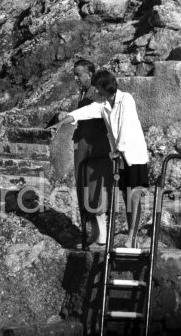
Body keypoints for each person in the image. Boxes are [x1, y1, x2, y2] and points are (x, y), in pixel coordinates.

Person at [49, 70, 149, 249]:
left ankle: (132, 237)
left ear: (104, 87)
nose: (94, 92)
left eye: (97, 88)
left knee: (133, 197)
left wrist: (118, 150)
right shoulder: (103, 105)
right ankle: (130, 237)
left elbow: (125, 126)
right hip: (121, 158)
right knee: (126, 197)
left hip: (134, 155)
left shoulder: (126, 99)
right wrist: (63, 121)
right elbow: (83, 112)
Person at [58, 60, 112, 250]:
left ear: (89, 74)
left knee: (94, 187)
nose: (76, 78)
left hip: (94, 146)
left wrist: (71, 114)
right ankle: (96, 233)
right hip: (84, 144)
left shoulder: (96, 92)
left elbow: (93, 113)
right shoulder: (84, 92)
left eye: (79, 74)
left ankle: (102, 236)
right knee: (85, 188)